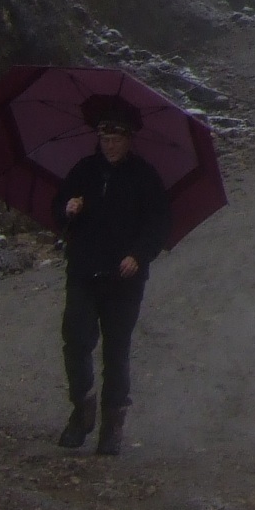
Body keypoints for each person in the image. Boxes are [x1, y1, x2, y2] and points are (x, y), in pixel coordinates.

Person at [56, 100, 171, 455]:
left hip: (123, 279)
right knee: (75, 339)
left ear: (129, 139)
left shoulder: (145, 177)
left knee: (116, 351)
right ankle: (83, 405)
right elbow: (58, 208)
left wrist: (138, 256)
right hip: (83, 271)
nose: (109, 144)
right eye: (104, 137)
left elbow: (158, 225)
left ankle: (112, 425)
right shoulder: (83, 171)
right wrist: (67, 210)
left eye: (115, 138)